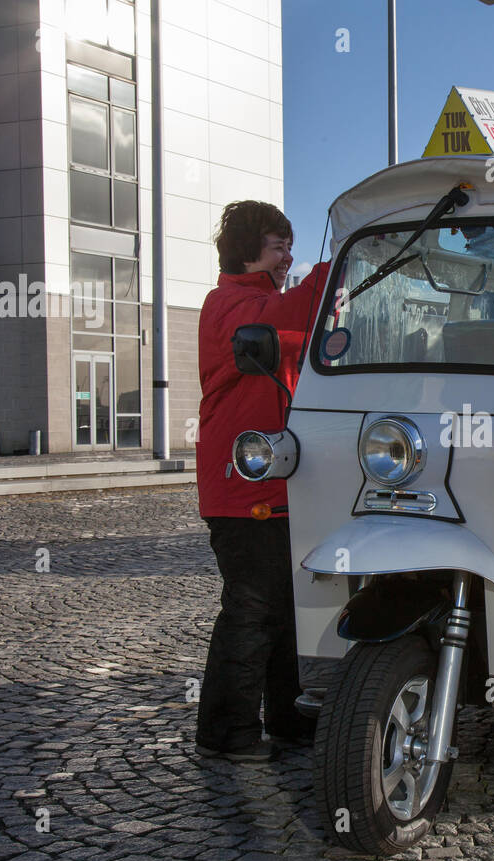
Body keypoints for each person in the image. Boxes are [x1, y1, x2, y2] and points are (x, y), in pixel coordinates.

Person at [195, 200, 330, 761]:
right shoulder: (232, 304)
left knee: (283, 609)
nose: (288, 256)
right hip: (240, 487)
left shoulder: (261, 302)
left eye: (290, 245)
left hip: (276, 484)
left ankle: (288, 717)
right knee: (252, 610)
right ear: (249, 250)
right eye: (278, 246)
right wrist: (344, 255)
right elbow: (300, 308)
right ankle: (227, 734)